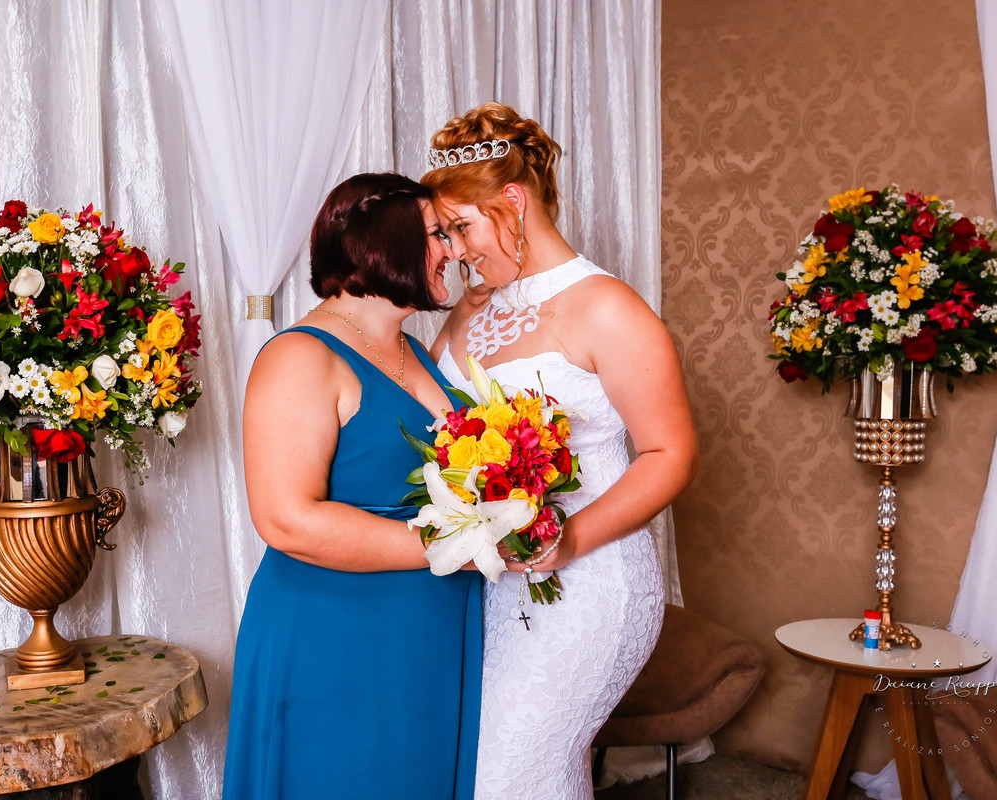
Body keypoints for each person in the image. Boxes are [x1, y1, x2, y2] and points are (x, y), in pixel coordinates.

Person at [422, 102, 699, 799]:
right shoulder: (470, 310)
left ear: (513, 202)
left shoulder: (606, 307)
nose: (455, 250)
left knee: (509, 773)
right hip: (488, 582)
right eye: (447, 233)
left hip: (592, 580)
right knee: (485, 772)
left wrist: (570, 539)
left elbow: (669, 453)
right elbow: (437, 425)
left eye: (462, 227)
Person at [222, 173, 480, 800]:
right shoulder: (300, 356)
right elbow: (286, 519)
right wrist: (457, 543)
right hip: (337, 634)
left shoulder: (413, 351)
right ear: (384, 243)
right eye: (437, 234)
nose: (453, 250)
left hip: (426, 630)